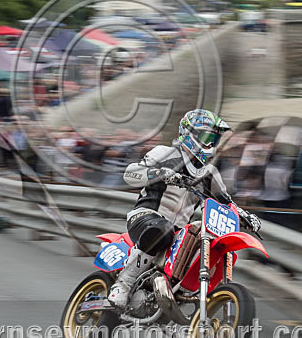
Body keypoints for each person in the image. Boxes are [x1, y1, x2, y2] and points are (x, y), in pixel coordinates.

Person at [108, 109, 262, 308]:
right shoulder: (165, 153)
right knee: (163, 230)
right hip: (146, 216)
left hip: (179, 231)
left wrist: (244, 215)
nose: (210, 143)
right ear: (190, 134)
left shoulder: (209, 173)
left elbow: (225, 201)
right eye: (207, 137)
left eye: (214, 139)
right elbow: (131, 173)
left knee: (202, 246)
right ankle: (124, 284)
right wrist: (161, 173)